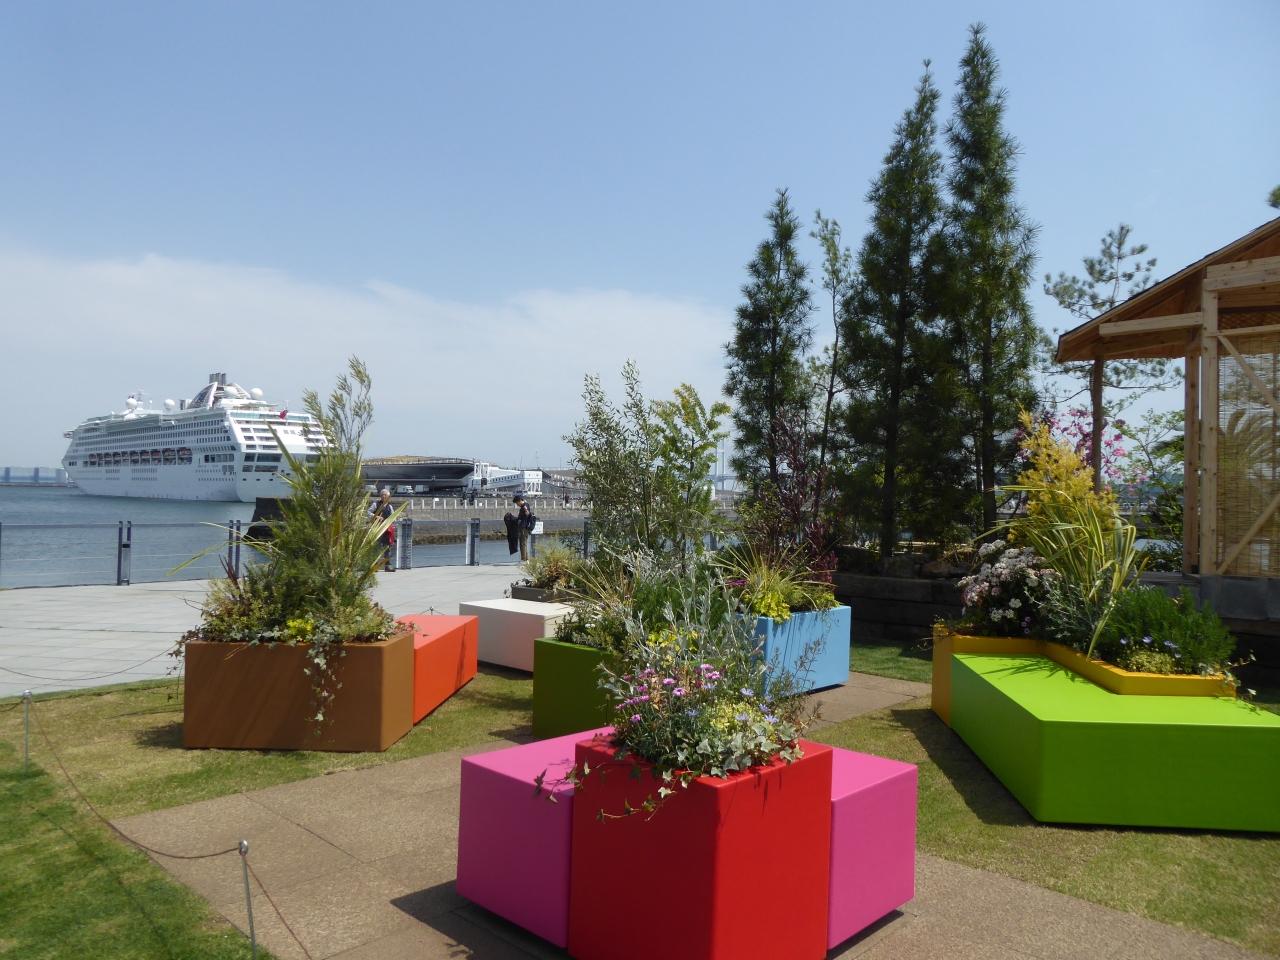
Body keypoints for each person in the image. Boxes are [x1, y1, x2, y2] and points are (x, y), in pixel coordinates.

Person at [368, 488, 395, 571]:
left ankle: (387, 565)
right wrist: (376, 516)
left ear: (388, 497)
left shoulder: (390, 506)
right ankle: (374, 566)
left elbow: (393, 517)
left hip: (387, 530)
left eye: (385, 495)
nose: (383, 496)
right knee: (376, 547)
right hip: (377, 529)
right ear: (380, 496)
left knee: (387, 547)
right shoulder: (375, 504)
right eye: (382, 495)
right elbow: (368, 512)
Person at [514, 494, 535, 561]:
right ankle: (526, 559)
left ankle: (524, 560)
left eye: (517, 503)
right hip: (524, 527)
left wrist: (526, 511)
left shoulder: (524, 506)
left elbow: (527, 514)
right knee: (524, 543)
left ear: (520, 501)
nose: (517, 505)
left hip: (523, 527)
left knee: (522, 544)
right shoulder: (526, 505)